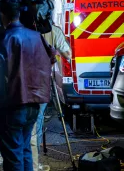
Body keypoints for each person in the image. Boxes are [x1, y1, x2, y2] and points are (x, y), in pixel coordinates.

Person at [0, 0, 52, 171]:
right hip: (34, 104)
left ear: (2, 14)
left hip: (11, 105)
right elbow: (50, 58)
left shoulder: (6, 37)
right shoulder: (36, 36)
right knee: (24, 151)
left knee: (13, 158)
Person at [31, 23, 72, 171]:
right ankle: (33, 165)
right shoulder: (54, 31)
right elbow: (68, 54)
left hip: (18, 84)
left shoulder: (19, 27)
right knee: (36, 122)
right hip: (41, 84)